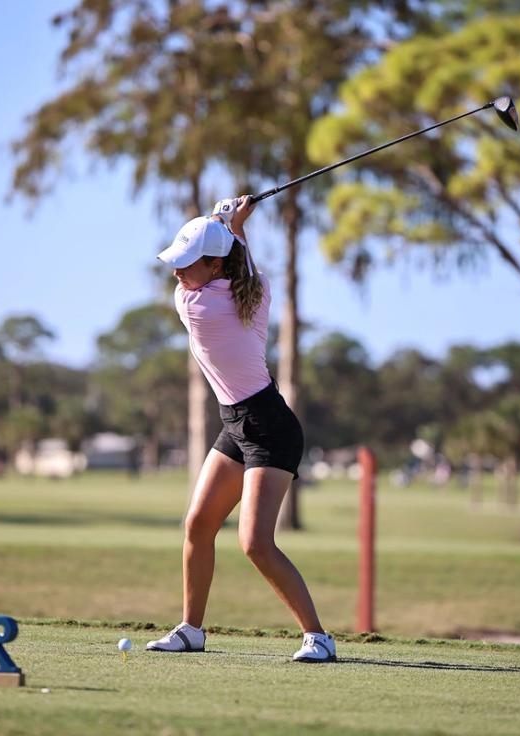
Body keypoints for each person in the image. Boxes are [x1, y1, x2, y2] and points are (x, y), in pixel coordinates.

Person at [146, 195, 335, 663]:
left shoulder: (195, 305)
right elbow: (242, 268)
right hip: (237, 422)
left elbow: (232, 262)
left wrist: (224, 220)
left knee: (255, 543)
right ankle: (191, 629)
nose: (177, 274)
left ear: (213, 265)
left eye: (187, 264)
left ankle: (319, 637)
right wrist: (230, 225)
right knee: (198, 524)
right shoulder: (256, 289)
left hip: (270, 427)